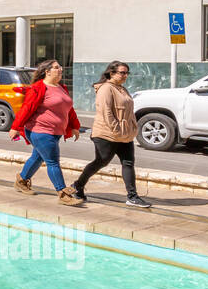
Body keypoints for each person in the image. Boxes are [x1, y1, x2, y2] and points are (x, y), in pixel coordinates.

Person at [74, 61, 152, 209]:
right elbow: (106, 112)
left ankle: (132, 196)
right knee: (101, 162)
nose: (125, 76)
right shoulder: (105, 88)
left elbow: (129, 111)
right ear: (111, 73)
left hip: (124, 134)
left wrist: (132, 128)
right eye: (122, 73)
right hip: (106, 134)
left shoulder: (122, 89)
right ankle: (78, 186)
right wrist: (117, 130)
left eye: (127, 73)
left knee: (128, 163)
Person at [9, 59, 83, 206]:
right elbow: (27, 108)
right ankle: (63, 193)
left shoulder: (61, 87)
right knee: (53, 161)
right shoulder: (38, 88)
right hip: (39, 130)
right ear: (47, 72)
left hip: (55, 132)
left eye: (60, 67)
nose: (60, 69)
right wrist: (15, 127)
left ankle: (21, 181)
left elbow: (69, 109)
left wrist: (75, 126)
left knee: (37, 158)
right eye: (56, 67)